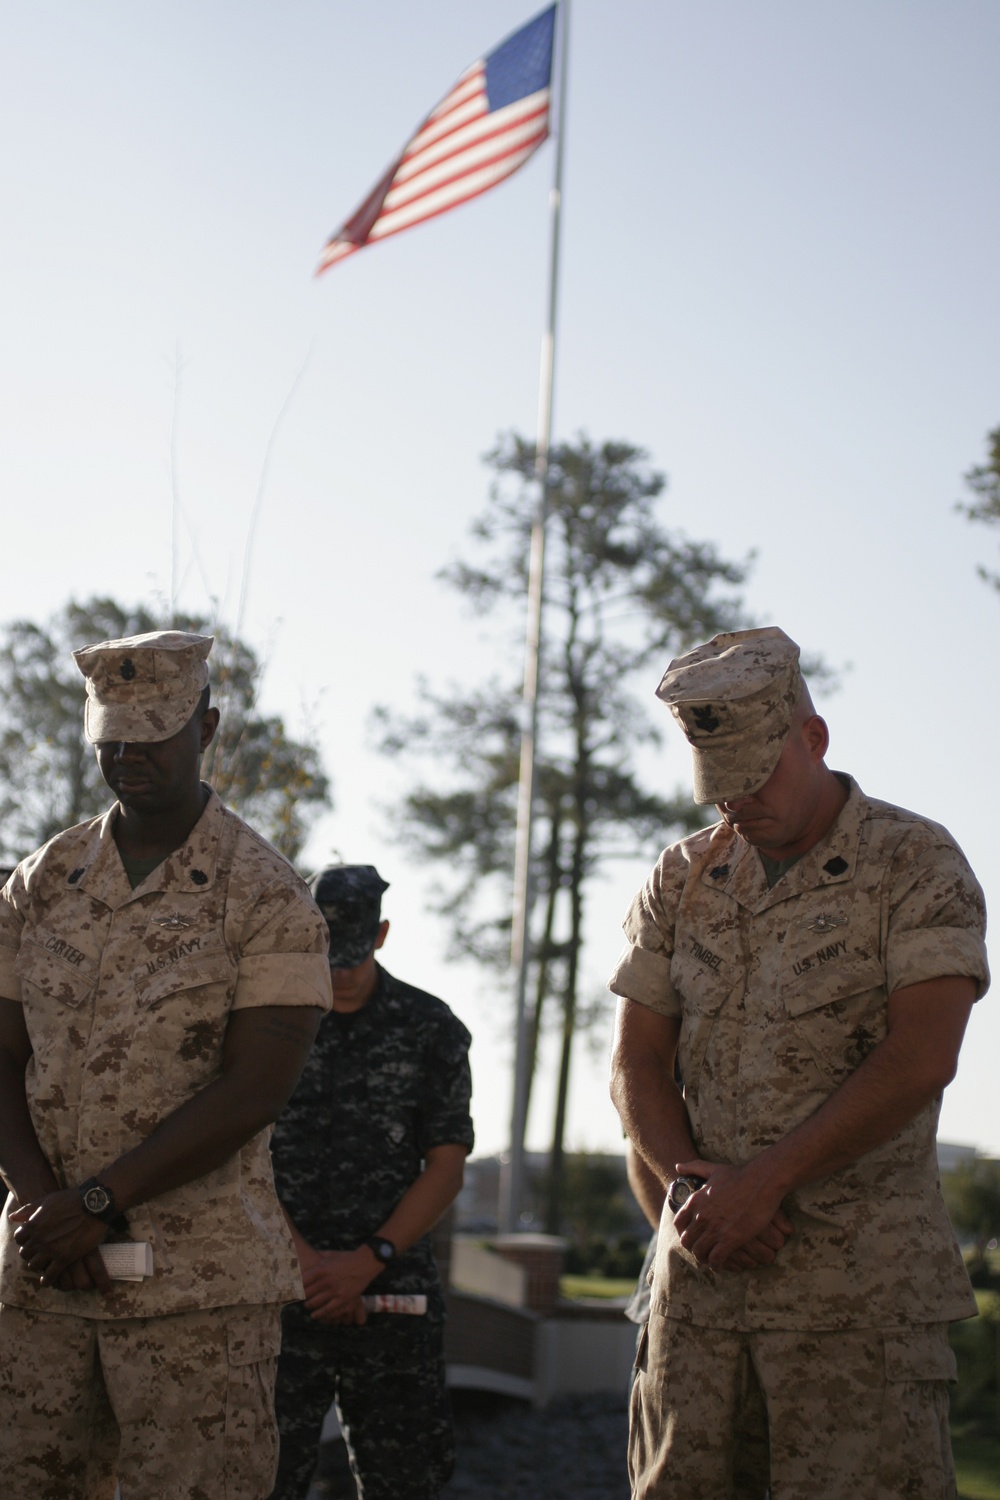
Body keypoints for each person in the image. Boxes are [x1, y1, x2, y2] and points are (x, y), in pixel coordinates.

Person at [608, 626, 989, 1500]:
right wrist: (693, 1192)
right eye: (719, 786)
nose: (734, 804)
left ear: (813, 740)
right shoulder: (680, 879)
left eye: (755, 777)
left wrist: (765, 1184)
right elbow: (636, 1059)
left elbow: (924, 1055)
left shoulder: (914, 863)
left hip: (855, 1315)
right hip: (698, 1312)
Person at [0, 630, 333, 1500]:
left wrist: (98, 1203)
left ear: (207, 727)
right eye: (111, 738)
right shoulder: (42, 882)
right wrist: (45, 1206)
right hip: (43, 1285)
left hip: (197, 1297)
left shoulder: (266, 895)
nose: (128, 756)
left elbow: (255, 1090)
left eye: (152, 736)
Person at [268, 864, 474, 1500]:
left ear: (381, 935)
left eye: (353, 955)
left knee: (405, 1481)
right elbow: (237, 1156)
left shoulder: (430, 1027)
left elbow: (446, 1164)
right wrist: (306, 1266)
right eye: (328, 956)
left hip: (392, 1295)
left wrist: (367, 1262)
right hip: (279, 1291)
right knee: (260, 1478)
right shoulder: (266, 1027)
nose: (341, 972)